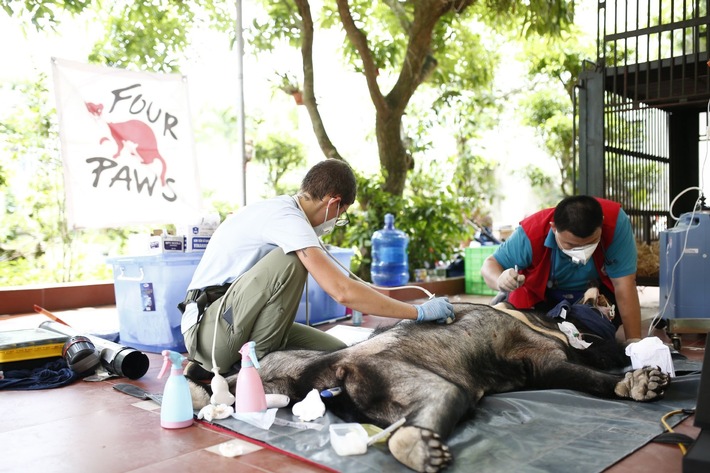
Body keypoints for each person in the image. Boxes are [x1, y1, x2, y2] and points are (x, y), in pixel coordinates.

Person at [180, 159, 454, 376]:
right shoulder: (286, 218)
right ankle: (251, 372)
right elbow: (342, 291)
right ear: (334, 201)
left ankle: (251, 361)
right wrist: (416, 312)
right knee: (290, 261)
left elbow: (349, 287)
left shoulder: (287, 217)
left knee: (336, 353)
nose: (337, 221)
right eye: (342, 215)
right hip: (210, 332)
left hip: (235, 325)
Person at [480, 195, 642, 342]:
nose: (581, 250)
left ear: (602, 224)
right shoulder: (532, 233)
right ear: (554, 228)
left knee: (597, 334)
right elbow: (490, 263)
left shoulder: (615, 223)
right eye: (570, 244)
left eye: (591, 242)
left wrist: (634, 342)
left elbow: (624, 285)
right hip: (541, 298)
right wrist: (500, 279)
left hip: (594, 295)